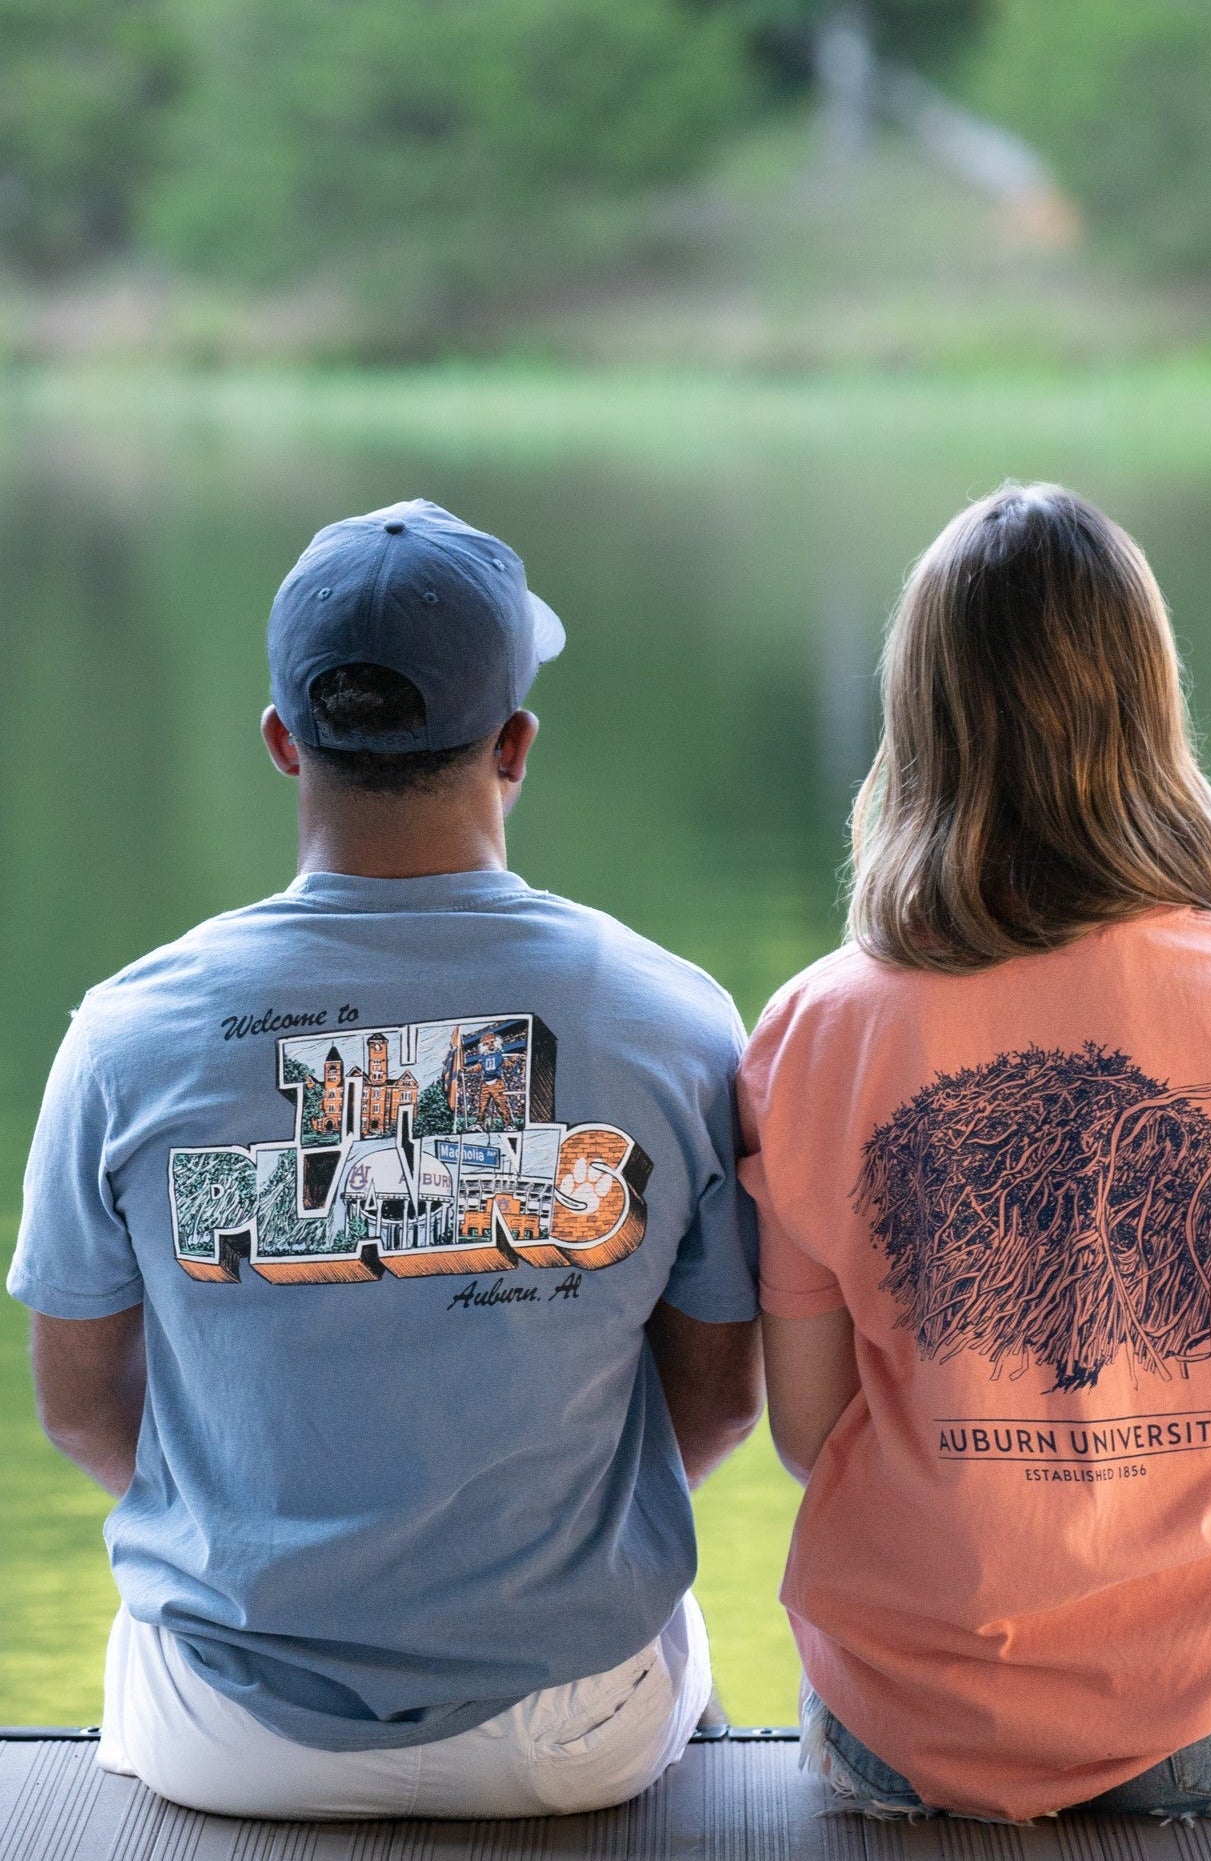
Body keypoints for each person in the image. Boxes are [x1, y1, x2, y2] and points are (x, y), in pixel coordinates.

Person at [8, 499, 763, 1820]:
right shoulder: (672, 1020)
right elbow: (717, 1401)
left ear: (281, 743)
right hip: (564, 1730)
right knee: (681, 1642)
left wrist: (268, 1538)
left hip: (227, 1733)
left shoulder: (128, 1033)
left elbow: (77, 1404)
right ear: (515, 742)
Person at [738, 483, 1211, 1825]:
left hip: (907, 1716)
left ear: (919, 720)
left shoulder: (811, 1029)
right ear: (1148, 707)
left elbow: (809, 1428)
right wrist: (1177, 1560)